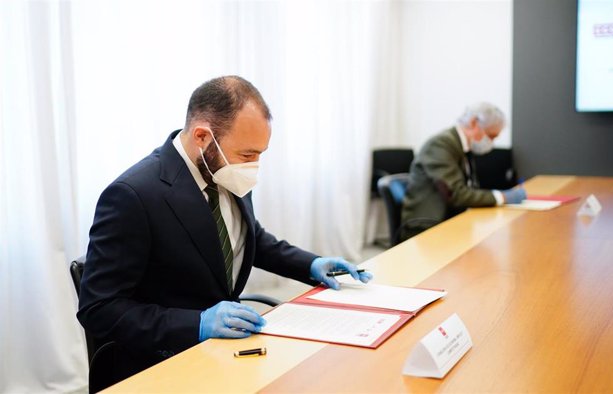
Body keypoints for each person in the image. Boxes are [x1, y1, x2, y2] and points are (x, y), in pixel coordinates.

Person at [77, 76, 372, 382]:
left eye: (259, 154)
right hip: (163, 363)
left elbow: (248, 238)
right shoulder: (133, 195)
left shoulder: (225, 170)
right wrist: (197, 323)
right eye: (247, 155)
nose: (253, 166)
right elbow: (99, 308)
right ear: (203, 137)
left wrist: (311, 264)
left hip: (226, 354)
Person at [401, 102, 526, 241]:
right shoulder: (440, 145)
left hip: (451, 221)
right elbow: (457, 194)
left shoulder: (463, 146)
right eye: (490, 136)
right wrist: (502, 197)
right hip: (427, 229)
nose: (491, 142)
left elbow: (470, 187)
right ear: (473, 123)